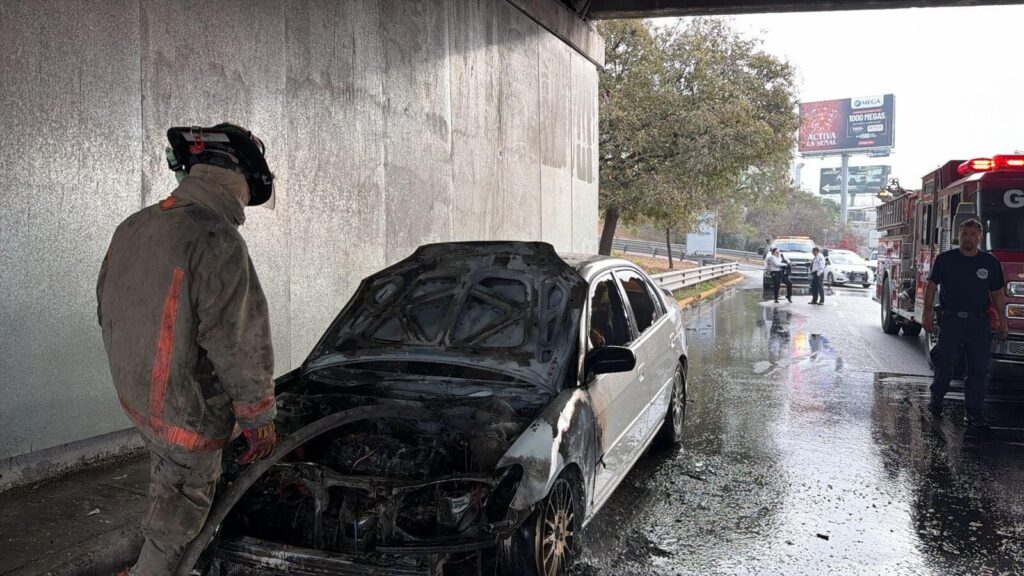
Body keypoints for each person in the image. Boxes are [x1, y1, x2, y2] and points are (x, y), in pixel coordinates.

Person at [97, 123, 279, 575]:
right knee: (180, 513)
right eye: (247, 192)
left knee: (167, 478)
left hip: (139, 396)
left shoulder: (136, 224)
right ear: (239, 179)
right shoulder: (217, 239)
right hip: (185, 413)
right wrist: (259, 418)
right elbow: (238, 342)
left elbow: (106, 304)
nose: (244, 204)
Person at [922, 218, 1008, 434]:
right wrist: (927, 315)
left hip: (979, 323)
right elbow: (932, 287)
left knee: (979, 369)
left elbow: (997, 293)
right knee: (946, 364)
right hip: (951, 321)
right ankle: (937, 400)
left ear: (980, 237)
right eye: (964, 234)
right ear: (958, 236)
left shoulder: (990, 263)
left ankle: (973, 411)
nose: (968, 238)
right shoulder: (945, 260)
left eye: (972, 234)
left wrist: (1002, 320)